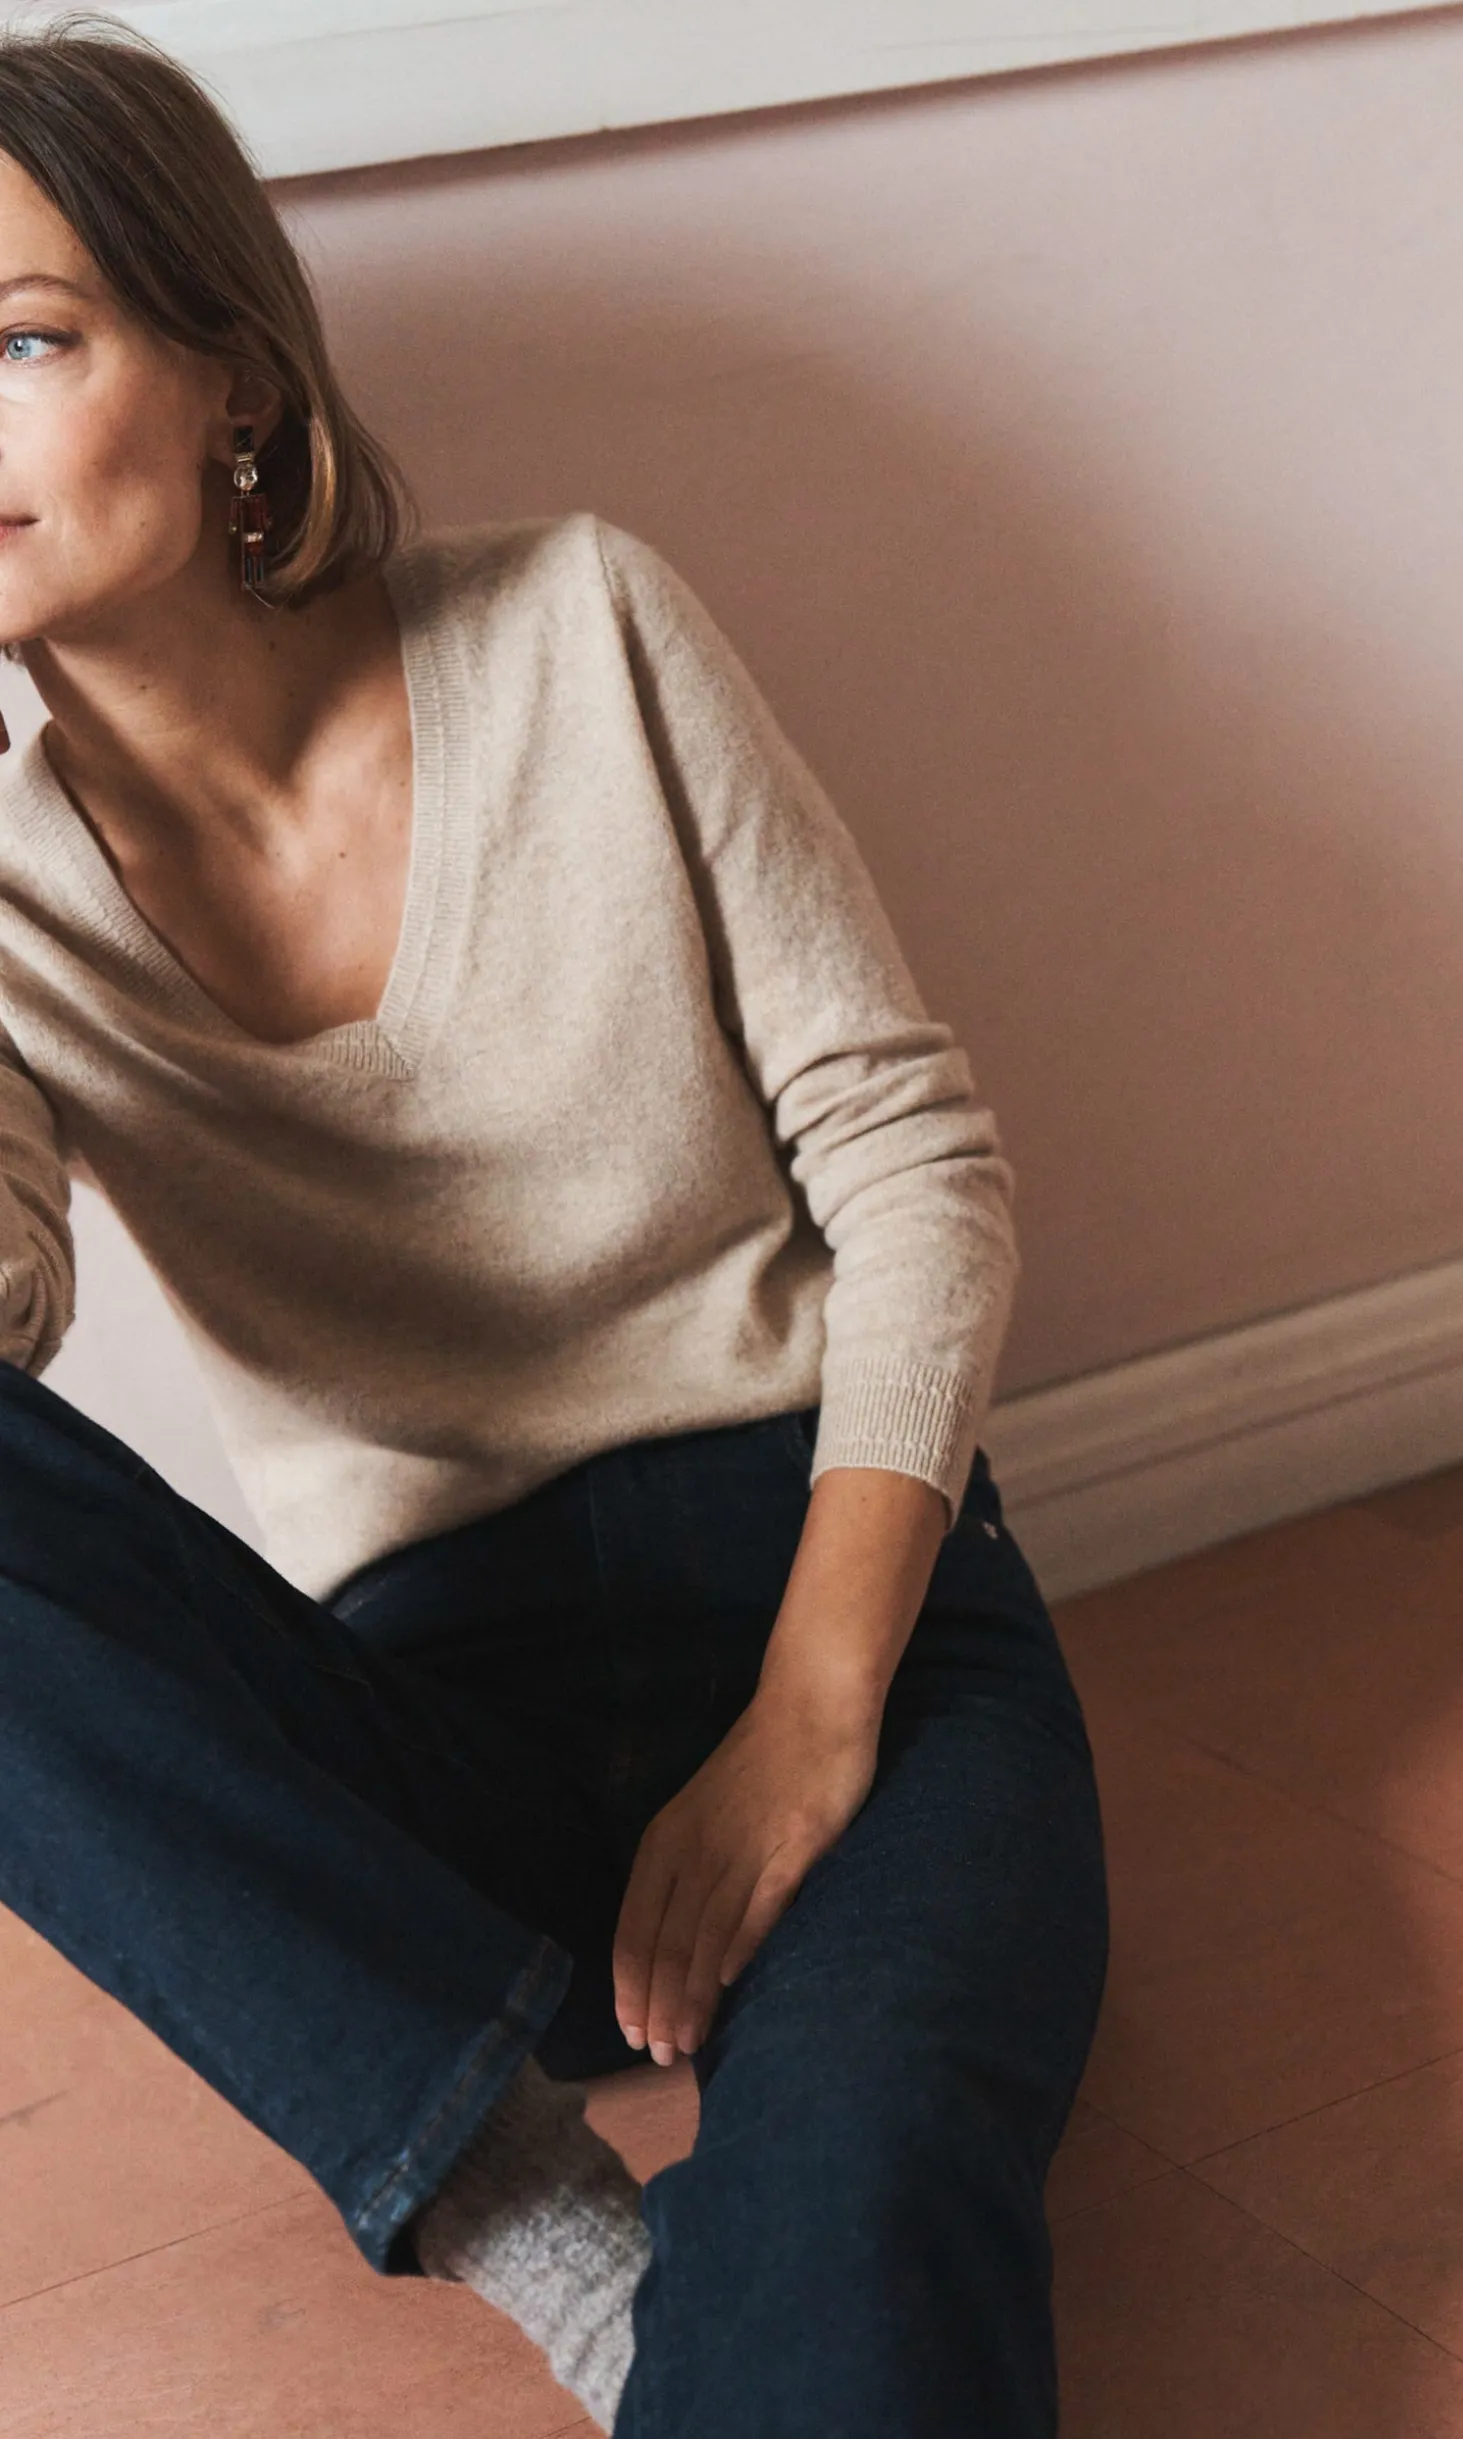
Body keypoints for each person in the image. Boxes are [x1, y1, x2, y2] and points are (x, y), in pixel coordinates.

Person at [0, 20, 1109, 2436]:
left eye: (23, 342)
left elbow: (915, 1165)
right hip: (436, 1717)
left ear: (231, 376)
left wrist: (809, 1715)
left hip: (845, 1605)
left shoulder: (579, 627)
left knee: (861, 2189)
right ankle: (537, 2219)